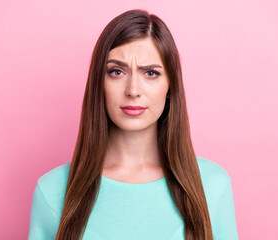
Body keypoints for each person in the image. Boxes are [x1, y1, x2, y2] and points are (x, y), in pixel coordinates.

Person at [28, 9, 238, 240]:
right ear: (99, 82)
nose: (133, 91)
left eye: (150, 73)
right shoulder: (52, 190)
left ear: (171, 87)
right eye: (117, 72)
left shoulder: (212, 187)